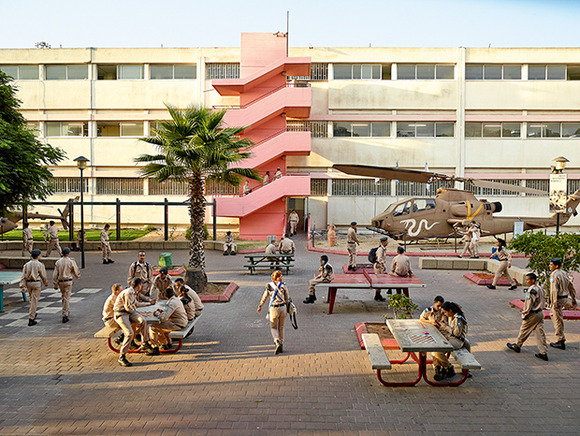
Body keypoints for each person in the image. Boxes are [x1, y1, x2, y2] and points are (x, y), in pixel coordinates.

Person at [113, 278, 157, 367]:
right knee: (129, 333)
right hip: (121, 313)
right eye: (141, 284)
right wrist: (136, 312)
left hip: (129, 312)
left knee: (143, 321)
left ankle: (145, 342)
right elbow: (128, 308)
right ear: (138, 285)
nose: (142, 286)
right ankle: (122, 356)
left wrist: (149, 304)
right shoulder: (128, 292)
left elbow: (136, 303)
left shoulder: (133, 292)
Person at [507, 273, 548, 361]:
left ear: (533, 280)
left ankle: (517, 345)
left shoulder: (531, 291)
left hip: (532, 314)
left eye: (528, 279)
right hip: (540, 313)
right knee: (539, 333)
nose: (526, 281)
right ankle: (543, 352)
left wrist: (524, 314)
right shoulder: (540, 288)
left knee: (524, 329)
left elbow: (528, 305)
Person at [432, 302, 468, 381]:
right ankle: (438, 368)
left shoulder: (458, 319)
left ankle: (449, 368)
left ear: (450, 310)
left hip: (457, 341)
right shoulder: (450, 316)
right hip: (450, 337)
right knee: (434, 348)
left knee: (437, 352)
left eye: (445, 312)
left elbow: (457, 333)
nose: (444, 314)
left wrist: (446, 327)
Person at [257, 270, 290, 354]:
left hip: (274, 308)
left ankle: (276, 341)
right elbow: (287, 298)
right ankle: (281, 345)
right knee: (281, 327)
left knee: (273, 327)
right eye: (281, 276)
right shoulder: (283, 286)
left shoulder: (269, 286)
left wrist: (260, 306)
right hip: (283, 308)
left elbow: (264, 297)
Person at [548, 258, 577, 350]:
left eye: (551, 264)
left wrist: (554, 303)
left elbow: (554, 290)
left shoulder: (554, 275)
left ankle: (560, 339)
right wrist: (573, 298)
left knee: (557, 319)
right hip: (564, 298)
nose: (550, 266)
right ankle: (560, 338)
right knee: (557, 318)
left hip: (558, 299)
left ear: (556, 266)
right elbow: (570, 286)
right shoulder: (564, 273)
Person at [149, 287, 189, 354]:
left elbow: (163, 318)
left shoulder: (170, 303)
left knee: (153, 327)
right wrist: (162, 311)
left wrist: (156, 313)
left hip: (177, 324)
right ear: (173, 293)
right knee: (162, 326)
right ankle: (166, 344)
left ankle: (155, 348)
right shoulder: (176, 299)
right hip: (182, 322)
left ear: (165, 296)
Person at [19, 249, 48, 326]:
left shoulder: (26, 264)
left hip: (28, 283)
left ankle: (33, 312)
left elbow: (23, 276)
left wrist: (22, 285)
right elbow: (43, 275)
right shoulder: (40, 264)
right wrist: (45, 282)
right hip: (36, 283)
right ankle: (31, 318)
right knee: (35, 300)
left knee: (32, 299)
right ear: (38, 256)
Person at [52, 247, 81, 323]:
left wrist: (55, 283)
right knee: (67, 297)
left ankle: (66, 310)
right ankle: (65, 314)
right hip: (68, 281)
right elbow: (75, 270)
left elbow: (55, 274)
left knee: (63, 296)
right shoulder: (71, 261)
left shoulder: (58, 262)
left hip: (61, 281)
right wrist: (77, 276)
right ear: (68, 253)